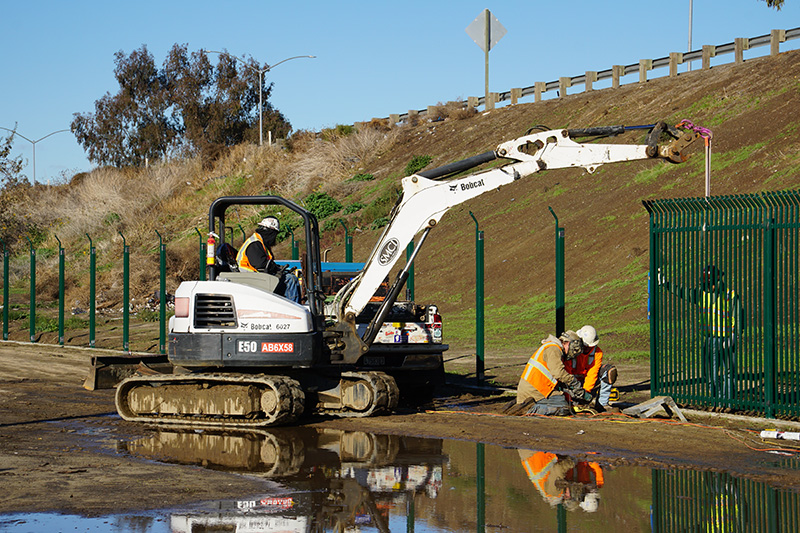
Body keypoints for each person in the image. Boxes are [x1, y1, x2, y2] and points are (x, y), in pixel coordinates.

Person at [659, 264, 742, 401]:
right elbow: (683, 292)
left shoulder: (729, 295)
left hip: (727, 339)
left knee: (728, 372)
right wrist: (666, 284)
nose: (710, 287)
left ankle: (728, 400)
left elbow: (738, 314)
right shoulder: (701, 294)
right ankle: (717, 398)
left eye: (712, 284)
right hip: (710, 340)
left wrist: (735, 335)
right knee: (710, 373)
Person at [512, 331, 592, 415]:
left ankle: (529, 406)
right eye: (574, 349)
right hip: (535, 390)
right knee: (563, 408)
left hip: (536, 388)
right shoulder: (553, 349)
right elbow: (558, 373)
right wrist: (574, 383)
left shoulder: (552, 347)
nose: (573, 353)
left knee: (562, 400)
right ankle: (530, 409)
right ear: (567, 343)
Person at [237, 217, 302, 303]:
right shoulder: (255, 244)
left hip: (256, 276)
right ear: (270, 232)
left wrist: (278, 268)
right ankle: (294, 308)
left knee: (288, 276)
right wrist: (275, 269)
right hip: (251, 277)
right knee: (290, 279)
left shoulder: (260, 242)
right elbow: (261, 264)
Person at [565, 325, 618, 411]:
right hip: (571, 382)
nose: (587, 349)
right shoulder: (571, 349)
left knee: (609, 371)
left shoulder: (597, 352)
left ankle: (602, 404)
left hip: (585, 383)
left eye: (589, 347)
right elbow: (566, 372)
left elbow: (592, 373)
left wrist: (585, 392)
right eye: (585, 346)